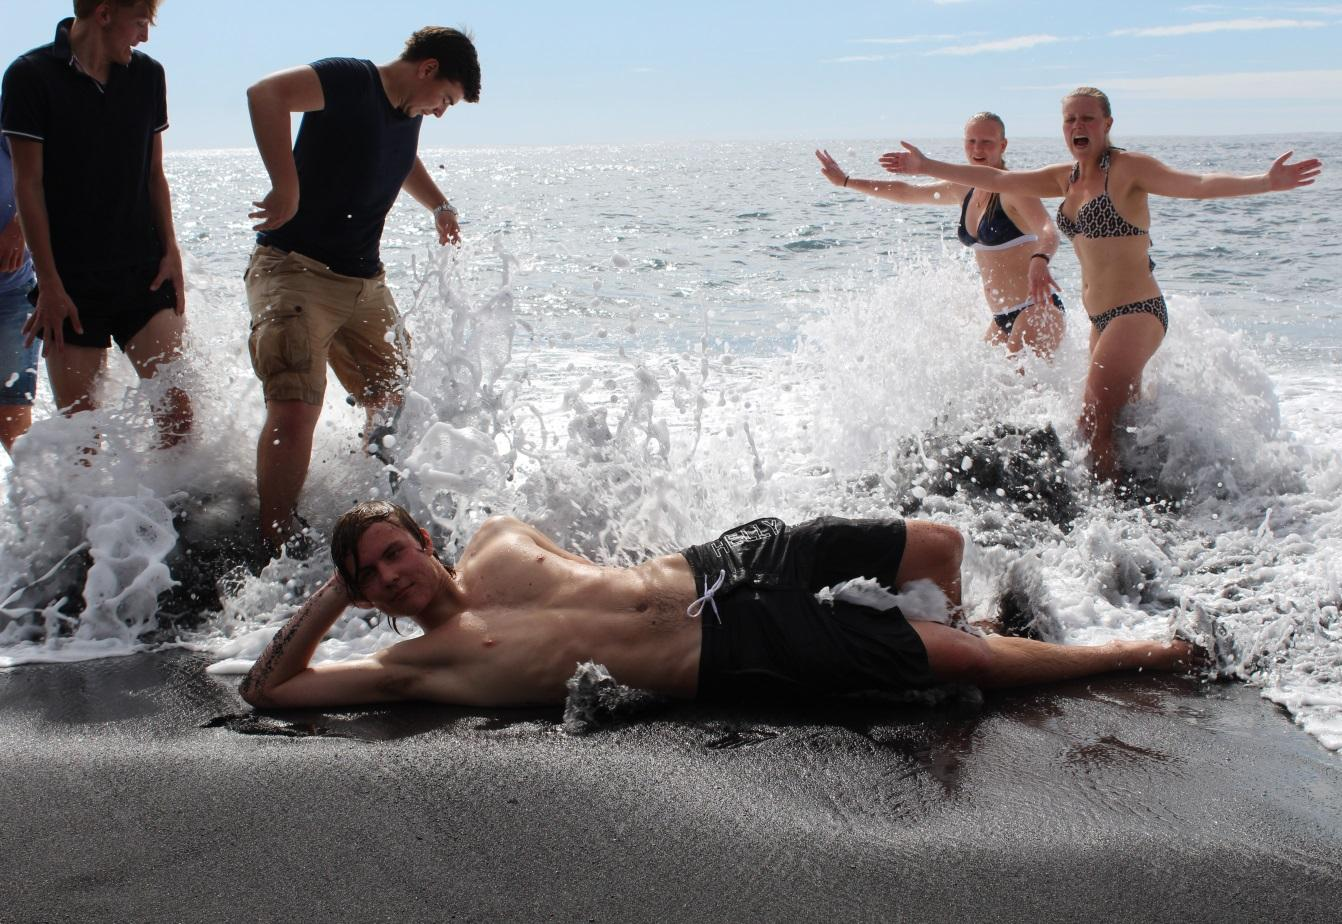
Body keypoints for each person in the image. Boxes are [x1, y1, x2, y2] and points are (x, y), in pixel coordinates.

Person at [239, 501, 1199, 710]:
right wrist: (329, 591)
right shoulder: (417, 665)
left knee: (939, 544)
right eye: (372, 573)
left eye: (396, 550)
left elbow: (595, 571)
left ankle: (966, 620)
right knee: (965, 667)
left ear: (427, 543)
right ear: (366, 593)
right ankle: (1145, 654)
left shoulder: (497, 538)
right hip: (738, 649)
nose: (394, 572)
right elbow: (271, 694)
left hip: (721, 563)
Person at [879, 88, 1320, 482]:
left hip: (1138, 311)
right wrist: (925, 166)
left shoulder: (1129, 169)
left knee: (1091, 420)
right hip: (1101, 319)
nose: (1078, 126)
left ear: (1107, 124)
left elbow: (1198, 185)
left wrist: (1265, 182)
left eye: (1088, 118)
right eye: (1070, 119)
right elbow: (995, 179)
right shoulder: (1064, 178)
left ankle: (1110, 516)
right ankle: (1159, 480)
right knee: (1123, 418)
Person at [244, 27, 480, 554]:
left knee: (395, 395)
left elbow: (399, 160)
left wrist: (438, 204)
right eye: (445, 98)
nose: (442, 111)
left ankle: (371, 507)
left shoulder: (406, 115)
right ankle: (273, 540)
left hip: (365, 283)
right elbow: (266, 94)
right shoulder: (352, 80)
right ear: (426, 68)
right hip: (295, 269)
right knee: (296, 407)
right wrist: (286, 183)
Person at [1, 0, 192, 455]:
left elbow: (154, 174)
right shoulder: (29, 76)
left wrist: (172, 252)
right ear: (104, 14)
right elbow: (29, 186)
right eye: (140, 22)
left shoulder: (148, 75)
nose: (144, 36)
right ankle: (98, 526)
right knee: (81, 439)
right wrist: (48, 283)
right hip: (69, 286)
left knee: (179, 415)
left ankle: (177, 519)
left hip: (144, 269)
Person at [816, 113, 1064, 358]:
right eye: (971, 141)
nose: (978, 148)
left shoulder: (1015, 188)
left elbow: (1047, 230)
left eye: (986, 141)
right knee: (980, 395)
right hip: (1002, 318)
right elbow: (908, 193)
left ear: (1003, 145)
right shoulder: (963, 189)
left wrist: (1040, 259)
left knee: (1016, 391)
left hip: (1037, 311)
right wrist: (846, 182)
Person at [0, 129, 41, 454]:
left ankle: (31, 501)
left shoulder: (6, 115)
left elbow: (44, 171)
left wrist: (19, 228)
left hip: (12, 292)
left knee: (11, 412)